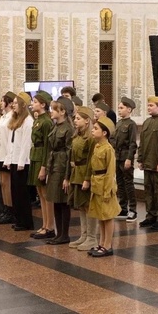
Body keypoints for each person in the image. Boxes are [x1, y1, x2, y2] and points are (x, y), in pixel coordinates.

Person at [137, 96, 158, 230]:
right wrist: (140, 159)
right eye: (148, 105)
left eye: (151, 105)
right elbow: (142, 142)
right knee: (149, 191)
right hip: (147, 163)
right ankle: (151, 216)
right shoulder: (147, 122)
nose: (149, 108)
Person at [87, 116, 121, 257]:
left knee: (107, 216)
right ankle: (101, 242)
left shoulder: (108, 149)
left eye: (96, 129)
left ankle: (108, 245)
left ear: (105, 133)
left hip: (105, 185)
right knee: (100, 215)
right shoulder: (97, 146)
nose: (93, 131)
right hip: (97, 182)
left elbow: (110, 171)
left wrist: (108, 190)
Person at [45, 97, 74, 245]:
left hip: (62, 167)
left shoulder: (68, 129)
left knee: (63, 202)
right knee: (55, 200)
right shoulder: (55, 126)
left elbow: (70, 154)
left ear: (62, 112)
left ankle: (64, 234)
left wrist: (67, 177)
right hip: (54, 164)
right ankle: (58, 233)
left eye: (54, 109)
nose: (51, 112)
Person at [68, 106, 97, 251]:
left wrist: (87, 179)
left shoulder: (91, 138)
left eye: (78, 119)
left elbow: (92, 159)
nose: (75, 121)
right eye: (75, 118)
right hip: (76, 173)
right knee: (81, 205)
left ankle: (92, 237)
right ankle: (83, 235)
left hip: (85, 173)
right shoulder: (77, 136)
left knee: (88, 206)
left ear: (87, 121)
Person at [4, 92, 34, 231]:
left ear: (22, 105)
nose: (13, 105)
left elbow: (26, 144)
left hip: (23, 162)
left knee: (22, 193)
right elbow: (12, 143)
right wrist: (9, 159)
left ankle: (25, 221)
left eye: (16, 103)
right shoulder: (15, 120)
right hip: (15, 160)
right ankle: (18, 218)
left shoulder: (28, 121)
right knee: (14, 191)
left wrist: (21, 162)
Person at [29, 90, 55, 239]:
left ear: (43, 104)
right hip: (35, 156)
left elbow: (47, 146)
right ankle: (44, 225)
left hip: (42, 159)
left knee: (46, 194)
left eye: (35, 102)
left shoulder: (46, 122)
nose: (32, 104)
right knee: (40, 193)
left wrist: (44, 167)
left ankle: (50, 226)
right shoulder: (38, 119)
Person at [112, 97, 138, 222]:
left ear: (129, 109)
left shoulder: (131, 125)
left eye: (122, 108)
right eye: (119, 108)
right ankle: (123, 208)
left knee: (128, 184)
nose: (119, 110)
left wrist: (129, 158)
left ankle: (133, 209)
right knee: (120, 183)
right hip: (117, 157)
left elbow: (133, 143)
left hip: (125, 157)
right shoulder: (119, 123)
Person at [0, 91, 17, 224]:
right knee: (2, 183)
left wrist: (8, 156)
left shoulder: (11, 117)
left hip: (7, 154)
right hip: (0, 154)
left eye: (2, 101)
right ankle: (5, 208)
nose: (1, 103)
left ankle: (10, 209)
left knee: (7, 183)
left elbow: (9, 139)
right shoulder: (3, 117)